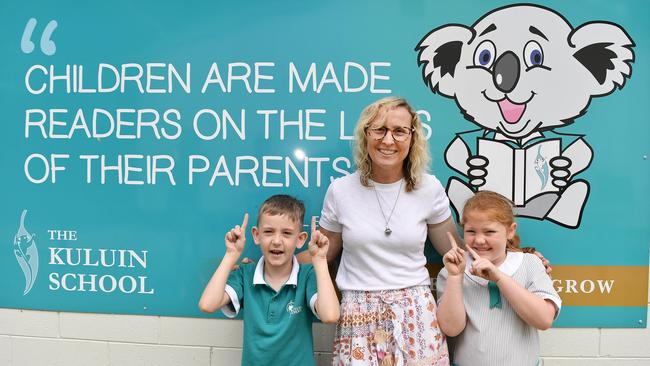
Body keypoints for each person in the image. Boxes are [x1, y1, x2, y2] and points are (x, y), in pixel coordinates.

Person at [306, 96, 457, 365]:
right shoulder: (341, 191)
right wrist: (266, 266)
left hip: (415, 313)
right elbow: (322, 254)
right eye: (379, 130)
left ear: (412, 138)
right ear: (366, 135)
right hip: (357, 313)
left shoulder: (429, 188)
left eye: (399, 131)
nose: (388, 140)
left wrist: (520, 255)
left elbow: (456, 253)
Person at [198, 194, 340, 366]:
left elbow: (331, 315)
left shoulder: (307, 275)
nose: (277, 241)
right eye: (268, 232)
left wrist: (319, 260)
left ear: (300, 239)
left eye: (287, 233)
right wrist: (230, 255)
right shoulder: (245, 274)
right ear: (256, 235)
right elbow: (207, 304)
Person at [436, 191, 561, 366]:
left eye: (489, 232)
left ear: (510, 231)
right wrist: (455, 277)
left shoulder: (530, 264)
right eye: (471, 231)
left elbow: (544, 320)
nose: (479, 240)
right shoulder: (452, 270)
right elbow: (451, 328)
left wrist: (500, 278)